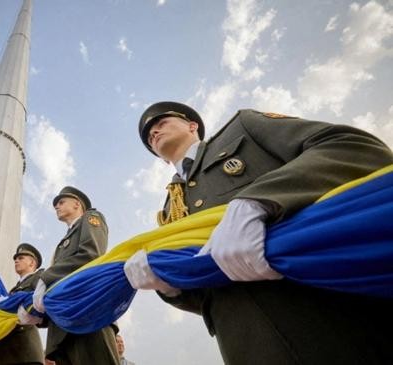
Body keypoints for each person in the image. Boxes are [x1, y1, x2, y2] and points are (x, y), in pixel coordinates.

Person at [127, 101, 393, 364]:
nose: (154, 133)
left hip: (332, 318)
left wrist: (260, 199)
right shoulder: (170, 210)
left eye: (161, 123)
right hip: (247, 344)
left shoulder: (242, 129)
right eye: (150, 137)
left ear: (192, 125)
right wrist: (170, 287)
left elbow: (349, 146)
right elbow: (206, 293)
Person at [32, 186, 120, 365]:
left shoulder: (90, 218)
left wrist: (45, 278)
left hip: (87, 313)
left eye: (61, 202)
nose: (57, 206)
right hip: (64, 326)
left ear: (77, 204)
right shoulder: (62, 243)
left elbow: (90, 254)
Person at [0, 243, 45, 365]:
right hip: (5, 353)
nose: (16, 261)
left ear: (32, 263)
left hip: (25, 352)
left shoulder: (39, 278)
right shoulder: (12, 291)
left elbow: (40, 303)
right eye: (15, 259)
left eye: (21, 258)